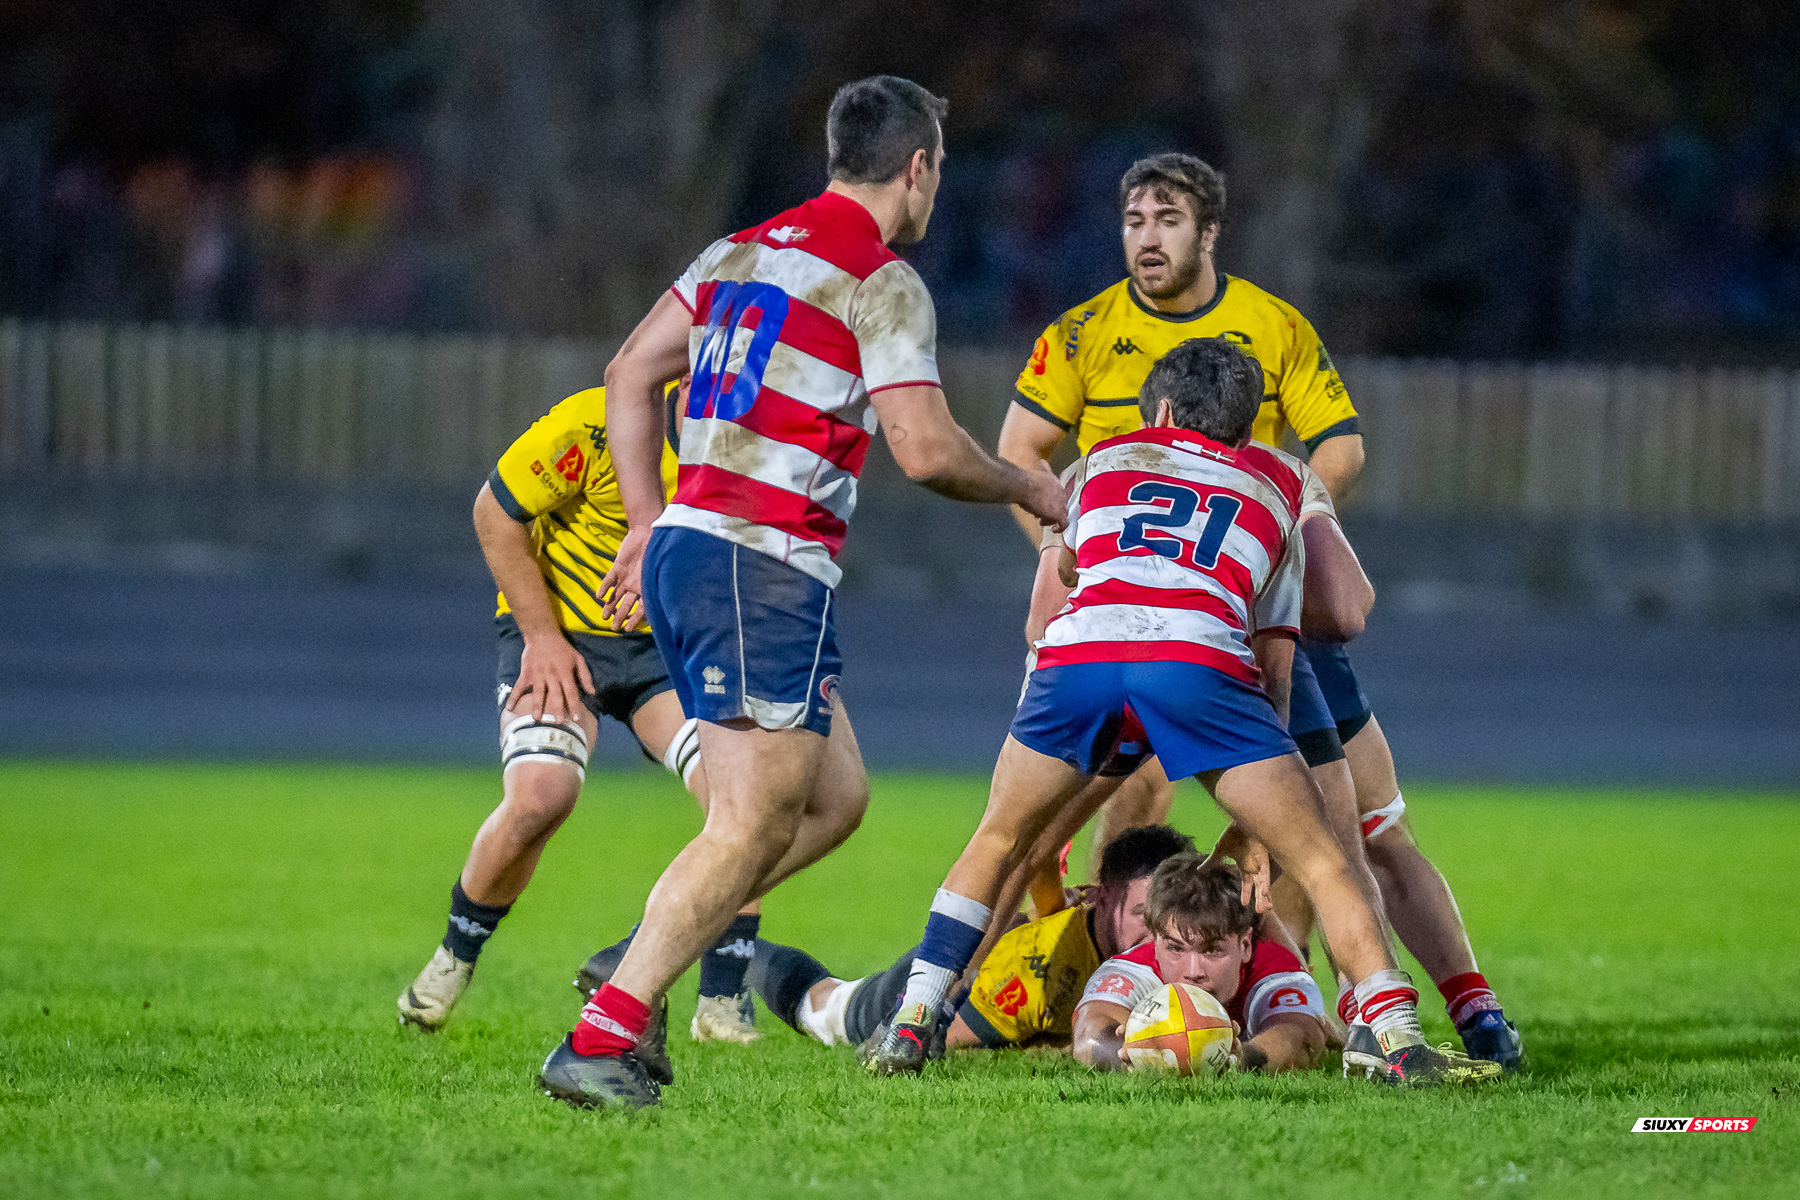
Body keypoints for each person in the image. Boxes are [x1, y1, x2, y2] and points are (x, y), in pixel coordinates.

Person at [533, 75, 1068, 1112]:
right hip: (757, 565)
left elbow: (628, 371)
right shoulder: (880, 279)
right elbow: (922, 449)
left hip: (710, 551)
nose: (935, 191)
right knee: (747, 824)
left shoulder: (736, 254)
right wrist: (1031, 487)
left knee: (834, 799)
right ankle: (604, 1035)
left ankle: (641, 959)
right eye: (939, 172)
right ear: (917, 168)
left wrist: (649, 519)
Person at [997, 152, 1519, 1070]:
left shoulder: (1272, 326)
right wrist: (1073, 558)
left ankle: (1441, 1015)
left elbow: (1342, 449)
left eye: (1166, 220)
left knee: (1356, 824)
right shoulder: (1081, 333)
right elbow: (1020, 451)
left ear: (1209, 232)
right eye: (1132, 219)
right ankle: (1105, 1004)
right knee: (1109, 822)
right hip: (1137, 620)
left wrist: (1274, 535)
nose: (1146, 238)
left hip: (1251, 614)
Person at [862, 337, 1501, 1087]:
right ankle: (1394, 1042)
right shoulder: (1282, 485)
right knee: (1325, 859)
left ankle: (913, 1021)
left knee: (1000, 836)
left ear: (1160, 410)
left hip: (1079, 663)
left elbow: (1049, 606)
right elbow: (1275, 660)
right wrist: (1263, 807)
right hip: (1195, 662)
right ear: (1248, 424)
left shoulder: (1093, 463)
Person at [395, 380, 766, 1043]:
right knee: (542, 796)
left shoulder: (752, 450)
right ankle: (454, 956)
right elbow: (493, 512)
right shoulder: (593, 423)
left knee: (743, 801)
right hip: (559, 633)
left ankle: (722, 1001)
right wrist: (540, 637)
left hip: (667, 648)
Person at [749, 825, 1193, 1052]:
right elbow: (951, 1044)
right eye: (1142, 915)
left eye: (1168, 916)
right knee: (827, 1009)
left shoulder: (1188, 943)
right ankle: (726, 941)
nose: (1159, 934)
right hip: (939, 983)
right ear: (1099, 895)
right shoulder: (1031, 966)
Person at [1073, 852, 1327, 1074]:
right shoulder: (1132, 967)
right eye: (1175, 948)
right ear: (1156, 942)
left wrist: (1239, 1061)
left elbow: (1301, 1038)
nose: (1193, 973)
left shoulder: (1275, 969)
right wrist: (1130, 1058)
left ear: (1245, 945)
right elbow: (1088, 1034)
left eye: (1212, 951)